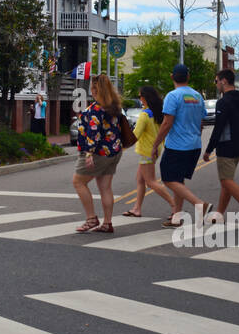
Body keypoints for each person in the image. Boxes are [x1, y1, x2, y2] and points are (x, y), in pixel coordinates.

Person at [151, 63, 212, 227]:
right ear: (188, 77)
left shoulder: (173, 96)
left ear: (172, 77)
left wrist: (155, 144)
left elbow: (166, 123)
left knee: (168, 179)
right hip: (194, 145)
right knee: (178, 180)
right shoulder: (198, 96)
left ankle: (200, 205)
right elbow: (200, 122)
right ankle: (176, 217)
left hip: (177, 146)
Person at [203, 68, 239, 229]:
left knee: (226, 181)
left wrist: (209, 149)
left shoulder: (224, 102)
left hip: (226, 146)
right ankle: (219, 214)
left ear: (224, 81)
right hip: (237, 146)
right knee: (227, 181)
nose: (216, 85)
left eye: (216, 81)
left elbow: (219, 127)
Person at [71, 73, 125, 234]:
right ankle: (107, 223)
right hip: (114, 151)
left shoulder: (95, 109)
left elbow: (93, 133)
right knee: (105, 187)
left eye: (92, 88)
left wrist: (88, 154)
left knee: (78, 182)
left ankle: (91, 218)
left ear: (95, 90)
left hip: (97, 153)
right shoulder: (114, 107)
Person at [122, 85, 174, 219]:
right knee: (140, 179)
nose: (139, 99)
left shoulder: (144, 115)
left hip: (147, 151)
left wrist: (121, 144)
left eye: (140, 96)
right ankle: (137, 209)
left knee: (150, 182)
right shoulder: (158, 112)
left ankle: (175, 207)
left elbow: (135, 135)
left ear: (145, 98)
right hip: (156, 148)